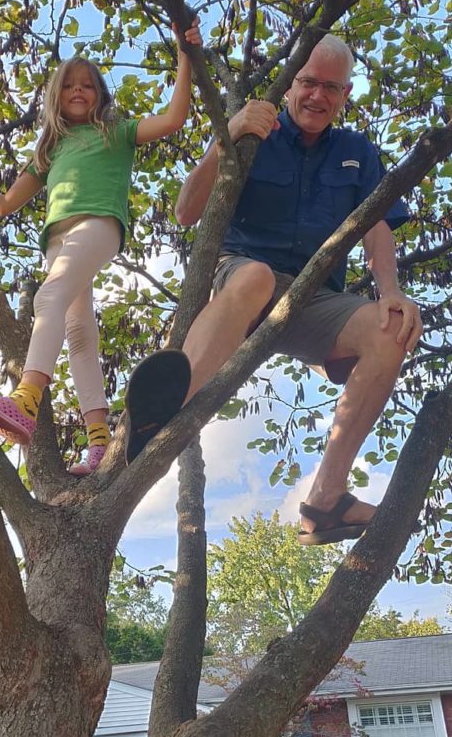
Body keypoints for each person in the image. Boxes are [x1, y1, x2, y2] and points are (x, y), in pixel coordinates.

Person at [126, 34, 421, 544]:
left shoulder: (357, 152)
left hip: (313, 299)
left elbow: (378, 228)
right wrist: (228, 136)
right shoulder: (253, 131)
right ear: (290, 85)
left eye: (331, 87)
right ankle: (163, 416)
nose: (317, 96)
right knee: (257, 276)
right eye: (308, 82)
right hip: (242, 278)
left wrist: (390, 291)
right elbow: (186, 211)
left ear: (345, 94)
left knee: (390, 328)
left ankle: (327, 500)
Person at [0, 19, 202, 474]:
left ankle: (25, 400)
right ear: (57, 96)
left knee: (50, 294)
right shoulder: (51, 149)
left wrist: (186, 54)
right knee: (80, 336)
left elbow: (173, 118)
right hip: (60, 240)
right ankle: (100, 442)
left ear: (100, 95)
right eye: (70, 86)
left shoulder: (116, 132)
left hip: (98, 227)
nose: (79, 91)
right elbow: (4, 204)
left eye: (88, 85)